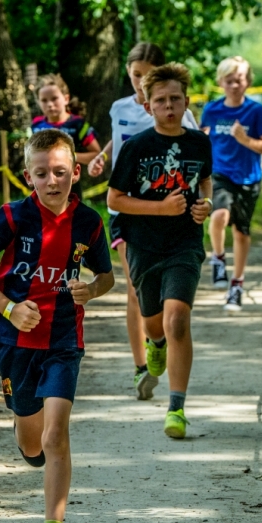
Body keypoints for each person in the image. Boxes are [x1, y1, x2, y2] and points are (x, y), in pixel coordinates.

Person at [0, 128, 114, 523]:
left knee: (55, 435)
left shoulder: (89, 223)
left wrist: (91, 290)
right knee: (33, 443)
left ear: (76, 173)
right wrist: (8, 307)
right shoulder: (13, 216)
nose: (52, 181)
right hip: (16, 344)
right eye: (42, 173)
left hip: (64, 340)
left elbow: (105, 276)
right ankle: (25, 432)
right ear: (29, 176)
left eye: (61, 172)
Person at [86, 42, 199, 401]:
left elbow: (194, 151)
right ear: (128, 73)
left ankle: (159, 341)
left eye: (147, 76)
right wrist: (103, 157)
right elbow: (120, 141)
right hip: (126, 209)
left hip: (169, 214)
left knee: (162, 298)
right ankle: (141, 364)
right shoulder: (119, 107)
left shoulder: (173, 109)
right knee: (134, 289)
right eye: (136, 75)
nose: (140, 82)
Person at [107, 63, 213, 440]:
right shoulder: (136, 147)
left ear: (186, 102)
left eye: (175, 99)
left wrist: (206, 205)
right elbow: (114, 199)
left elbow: (204, 182)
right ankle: (155, 344)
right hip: (143, 244)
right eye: (161, 100)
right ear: (148, 106)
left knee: (178, 319)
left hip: (185, 242)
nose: (169, 106)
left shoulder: (199, 142)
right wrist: (160, 208)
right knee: (154, 323)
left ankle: (176, 407)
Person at [200, 56, 262, 310]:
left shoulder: (256, 111)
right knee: (219, 215)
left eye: (239, 80)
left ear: (248, 81)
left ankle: (236, 285)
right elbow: (202, 139)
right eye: (229, 80)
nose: (234, 85)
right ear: (221, 82)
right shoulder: (212, 110)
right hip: (220, 174)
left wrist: (246, 140)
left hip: (248, 179)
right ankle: (218, 258)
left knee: (241, 233)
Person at [31, 74, 100, 168]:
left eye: (54, 98)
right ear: (38, 103)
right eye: (44, 100)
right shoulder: (36, 124)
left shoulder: (78, 124)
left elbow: (97, 154)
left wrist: (70, 156)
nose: (50, 104)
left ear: (66, 99)